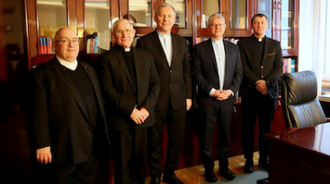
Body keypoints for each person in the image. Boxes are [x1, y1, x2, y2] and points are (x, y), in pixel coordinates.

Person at [24, 27, 109, 184]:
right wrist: (42, 144)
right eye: (65, 41)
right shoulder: (40, 75)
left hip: (91, 146)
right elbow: (37, 113)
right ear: (55, 45)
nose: (72, 44)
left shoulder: (89, 69)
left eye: (75, 40)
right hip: (63, 147)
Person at [96, 19, 160, 184]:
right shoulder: (105, 59)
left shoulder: (145, 56)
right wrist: (131, 110)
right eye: (119, 31)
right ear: (114, 35)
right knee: (122, 165)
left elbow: (155, 84)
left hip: (143, 120)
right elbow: (108, 90)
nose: (124, 34)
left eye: (128, 30)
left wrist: (146, 109)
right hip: (121, 121)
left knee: (140, 164)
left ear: (133, 33)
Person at [136, 3, 192, 184]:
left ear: (174, 19)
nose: (166, 19)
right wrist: (145, 101)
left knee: (176, 140)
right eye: (162, 16)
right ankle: (155, 176)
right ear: (155, 17)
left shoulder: (182, 42)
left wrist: (189, 96)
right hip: (154, 101)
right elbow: (142, 76)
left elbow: (186, 72)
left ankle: (170, 173)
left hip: (178, 99)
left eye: (169, 16)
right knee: (154, 142)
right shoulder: (144, 42)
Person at [191, 13, 243, 183]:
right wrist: (212, 91)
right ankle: (208, 170)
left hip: (228, 99)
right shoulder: (199, 49)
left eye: (220, 25)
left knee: (225, 136)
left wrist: (231, 91)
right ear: (209, 28)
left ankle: (224, 167)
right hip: (208, 100)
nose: (217, 28)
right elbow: (196, 74)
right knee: (206, 137)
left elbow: (238, 73)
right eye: (213, 25)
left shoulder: (234, 48)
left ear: (225, 27)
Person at [237, 13, 283, 173]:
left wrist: (267, 83)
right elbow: (242, 67)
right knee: (248, 128)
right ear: (251, 25)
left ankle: (264, 159)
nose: (259, 25)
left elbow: (279, 68)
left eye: (262, 22)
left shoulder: (275, 45)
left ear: (267, 25)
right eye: (256, 23)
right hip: (250, 93)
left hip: (268, 94)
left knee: (266, 128)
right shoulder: (242, 44)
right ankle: (248, 160)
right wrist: (256, 83)